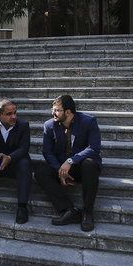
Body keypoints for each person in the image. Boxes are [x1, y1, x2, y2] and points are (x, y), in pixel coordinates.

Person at [34, 95, 102, 232]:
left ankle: (87, 212)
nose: (53, 113)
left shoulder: (88, 122)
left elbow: (94, 148)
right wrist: (60, 170)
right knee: (40, 172)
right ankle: (69, 210)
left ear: (68, 112)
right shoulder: (49, 125)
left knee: (90, 164)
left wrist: (71, 160)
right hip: (61, 166)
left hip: (81, 166)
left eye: (57, 110)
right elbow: (47, 152)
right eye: (53, 110)